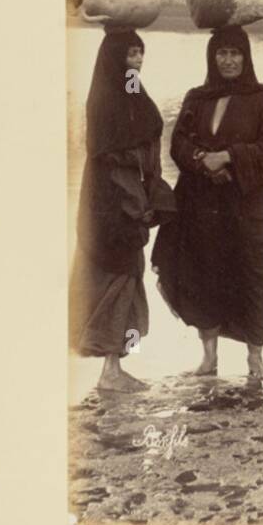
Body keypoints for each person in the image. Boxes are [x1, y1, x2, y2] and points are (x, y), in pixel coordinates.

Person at [152, 25, 263, 379]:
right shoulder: (197, 98)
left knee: (254, 273)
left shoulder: (260, 99)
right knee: (203, 271)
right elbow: (178, 142)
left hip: (246, 207)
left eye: (235, 53)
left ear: (246, 57)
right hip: (202, 206)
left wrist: (228, 157)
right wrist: (201, 162)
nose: (228, 60)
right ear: (212, 57)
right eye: (221, 53)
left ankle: (255, 357)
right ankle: (209, 357)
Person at [69, 27, 173, 392]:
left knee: (128, 278)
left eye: (140, 53)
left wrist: (152, 197)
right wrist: (136, 202)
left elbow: (144, 138)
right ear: (115, 59)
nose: (138, 61)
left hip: (130, 202)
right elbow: (112, 158)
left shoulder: (131, 95)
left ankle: (113, 369)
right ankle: (110, 372)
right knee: (119, 277)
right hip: (111, 205)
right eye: (130, 54)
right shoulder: (105, 101)